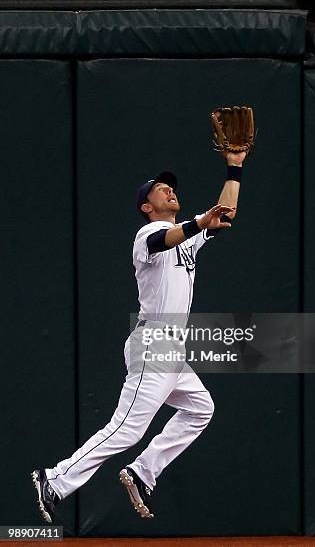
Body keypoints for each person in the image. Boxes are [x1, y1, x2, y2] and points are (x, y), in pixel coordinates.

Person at [31, 150, 246, 522]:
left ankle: (142, 472)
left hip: (172, 351)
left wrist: (235, 165)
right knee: (126, 429)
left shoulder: (188, 238)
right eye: (160, 190)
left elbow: (225, 213)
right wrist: (198, 222)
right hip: (154, 344)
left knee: (200, 410)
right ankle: (54, 479)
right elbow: (168, 237)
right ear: (147, 207)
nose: (169, 191)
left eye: (170, 187)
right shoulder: (147, 233)